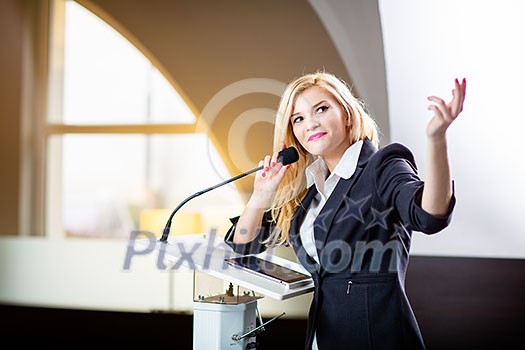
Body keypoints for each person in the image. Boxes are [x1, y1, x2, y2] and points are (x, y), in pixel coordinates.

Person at [224, 71, 466, 349]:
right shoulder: (310, 196)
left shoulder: (383, 166)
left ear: (347, 114)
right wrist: (261, 194)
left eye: (321, 109)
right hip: (322, 339)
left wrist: (436, 139)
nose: (310, 123)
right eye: (298, 119)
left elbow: (429, 215)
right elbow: (243, 246)